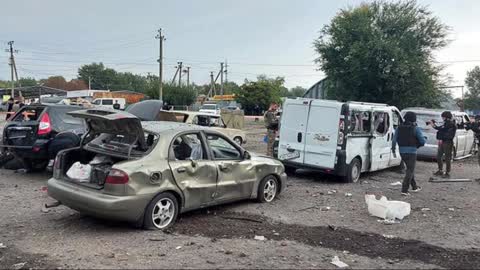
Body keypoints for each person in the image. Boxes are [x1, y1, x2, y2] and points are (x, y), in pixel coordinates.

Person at [391, 111, 426, 196]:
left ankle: (414, 187)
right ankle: (404, 190)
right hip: (412, 152)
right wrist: (422, 141)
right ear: (414, 119)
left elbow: (394, 140)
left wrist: (393, 149)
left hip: (402, 151)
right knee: (410, 170)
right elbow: (422, 141)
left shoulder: (399, 128)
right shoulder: (416, 128)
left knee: (410, 169)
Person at [431, 111, 456, 178]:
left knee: (447, 158)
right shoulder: (446, 123)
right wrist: (434, 125)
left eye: (443, 117)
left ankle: (447, 172)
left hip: (448, 142)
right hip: (443, 141)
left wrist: (434, 125)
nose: (442, 118)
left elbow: (442, 129)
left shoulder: (450, 124)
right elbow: (441, 129)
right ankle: (440, 170)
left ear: (446, 117)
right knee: (439, 156)